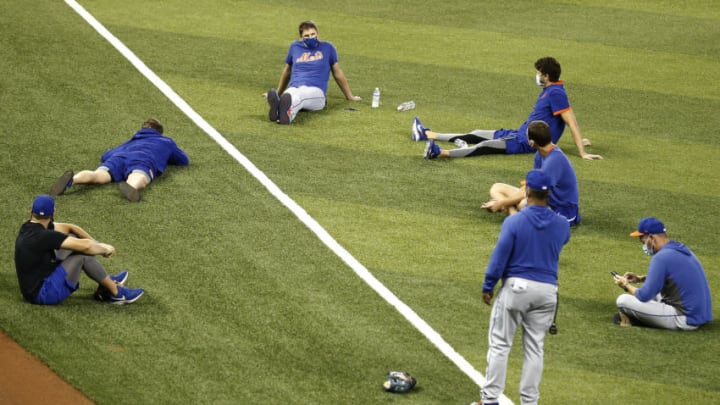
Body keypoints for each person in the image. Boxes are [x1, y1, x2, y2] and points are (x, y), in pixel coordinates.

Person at [472, 170, 571, 405]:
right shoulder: (561, 225)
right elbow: (559, 239)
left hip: (517, 288)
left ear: (526, 192)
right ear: (550, 194)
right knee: (535, 348)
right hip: (548, 292)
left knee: (500, 345)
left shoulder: (514, 221)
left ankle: (489, 399)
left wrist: (488, 285)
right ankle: (529, 402)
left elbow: (499, 257)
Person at [413, 56, 602, 161]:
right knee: (478, 132)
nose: (536, 76)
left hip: (526, 141)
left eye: (538, 73)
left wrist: (581, 151)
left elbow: (571, 121)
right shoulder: (551, 89)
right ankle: (428, 135)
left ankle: (439, 153)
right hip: (520, 132)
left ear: (545, 75)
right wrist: (580, 141)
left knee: (484, 146)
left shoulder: (556, 93)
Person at [14, 195, 144, 305]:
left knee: (73, 239)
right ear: (53, 212)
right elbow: (86, 246)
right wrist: (104, 249)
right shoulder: (45, 236)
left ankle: (105, 280)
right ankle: (116, 293)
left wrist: (97, 244)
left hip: (36, 283)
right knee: (83, 255)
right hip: (42, 293)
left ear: (32, 212)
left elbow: (71, 228)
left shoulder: (28, 228)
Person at [48, 118, 189, 202]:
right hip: (143, 159)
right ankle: (131, 187)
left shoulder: (130, 141)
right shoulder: (165, 141)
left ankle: (73, 180)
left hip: (119, 157)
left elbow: (105, 155)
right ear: (160, 132)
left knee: (98, 175)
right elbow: (183, 160)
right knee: (138, 174)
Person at [612, 217, 713, 330]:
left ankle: (640, 319)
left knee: (623, 301)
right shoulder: (681, 248)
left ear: (652, 238)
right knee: (656, 291)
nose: (643, 246)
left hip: (685, 319)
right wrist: (640, 279)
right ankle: (647, 316)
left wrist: (625, 285)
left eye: (643, 242)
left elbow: (644, 296)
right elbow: (675, 276)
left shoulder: (661, 257)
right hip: (701, 314)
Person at [481, 120, 581, 226]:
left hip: (562, 210)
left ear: (532, 142)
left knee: (523, 206)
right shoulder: (540, 155)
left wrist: (502, 203)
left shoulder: (554, 160)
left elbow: (532, 191)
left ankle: (514, 215)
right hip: (544, 198)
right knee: (497, 188)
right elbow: (530, 187)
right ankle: (512, 211)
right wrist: (507, 202)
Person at [266, 20, 361, 125]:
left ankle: (285, 114)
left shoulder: (328, 47)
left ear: (317, 34)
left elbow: (337, 73)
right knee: (290, 93)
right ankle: (280, 112)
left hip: (317, 92)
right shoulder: (295, 47)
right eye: (306, 36)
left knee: (300, 96)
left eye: (313, 34)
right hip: (295, 86)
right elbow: (287, 71)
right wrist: (278, 92)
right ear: (301, 36)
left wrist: (349, 96)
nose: (310, 37)